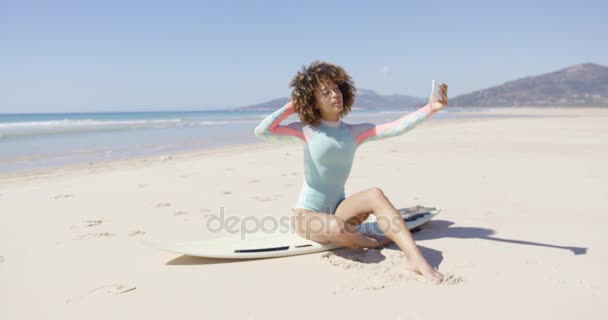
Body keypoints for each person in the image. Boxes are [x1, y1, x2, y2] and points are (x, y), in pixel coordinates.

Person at [254, 61, 448, 282]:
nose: (334, 94)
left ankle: (416, 259)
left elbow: (397, 127)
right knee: (337, 226)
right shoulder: (306, 130)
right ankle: (378, 241)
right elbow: (263, 131)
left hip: (339, 209)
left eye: (336, 88)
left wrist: (431, 108)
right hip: (306, 216)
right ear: (313, 101)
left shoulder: (354, 132)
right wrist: (292, 106)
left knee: (375, 194)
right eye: (324, 92)